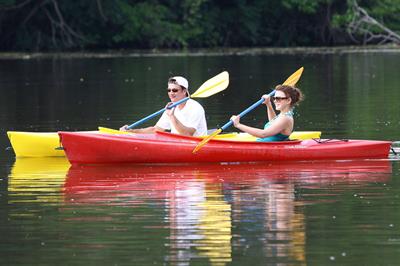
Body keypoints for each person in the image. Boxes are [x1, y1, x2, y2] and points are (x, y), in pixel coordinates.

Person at [120, 76, 208, 136]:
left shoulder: (195, 107)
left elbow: (188, 134)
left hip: (195, 144)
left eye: (174, 90)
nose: (171, 93)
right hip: (177, 143)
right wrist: (131, 132)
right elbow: (156, 130)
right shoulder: (170, 107)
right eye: (169, 90)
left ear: (184, 91)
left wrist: (172, 116)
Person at [230, 85, 303, 141]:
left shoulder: (285, 119)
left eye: (278, 98)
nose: (275, 101)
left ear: (288, 100)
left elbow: (263, 134)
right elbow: (273, 122)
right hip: (261, 144)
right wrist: (268, 104)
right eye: (274, 98)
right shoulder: (284, 114)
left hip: (264, 147)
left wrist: (238, 125)